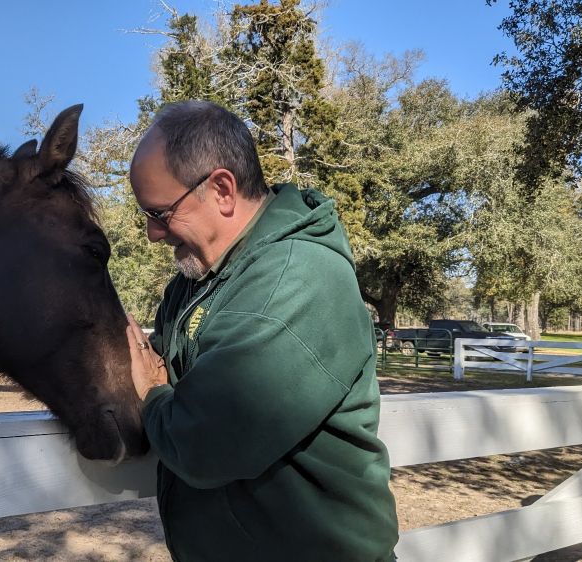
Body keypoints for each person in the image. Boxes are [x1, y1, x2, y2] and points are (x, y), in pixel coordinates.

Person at [124, 100, 399, 562]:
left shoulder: (298, 280)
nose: (153, 234)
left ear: (223, 190)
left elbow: (204, 443)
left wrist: (154, 395)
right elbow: (156, 359)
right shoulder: (192, 284)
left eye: (160, 213)